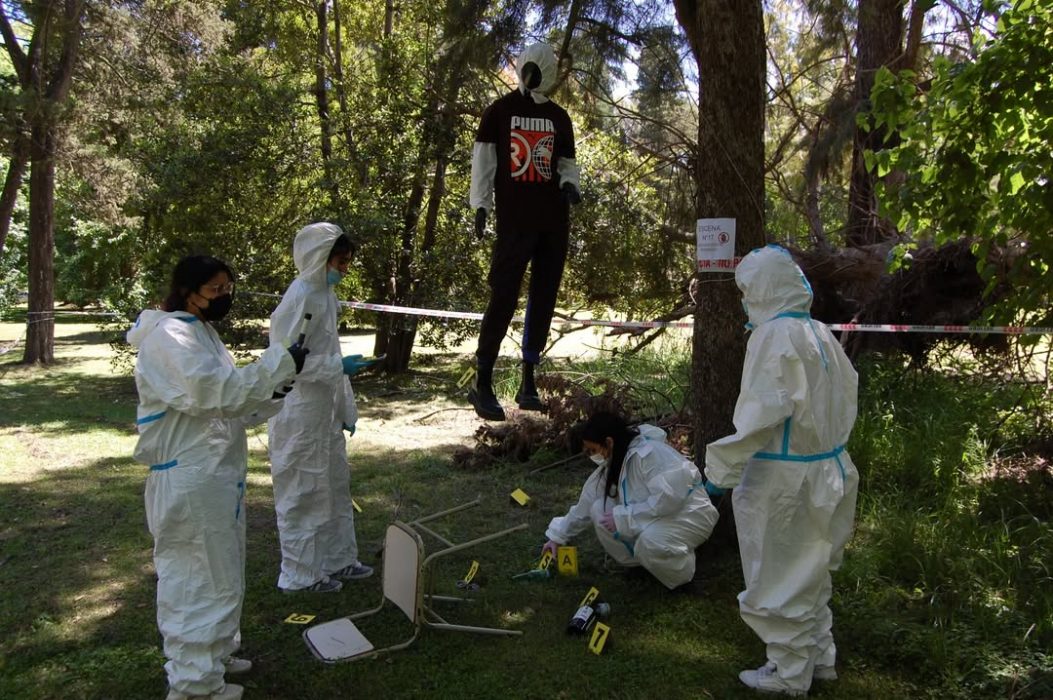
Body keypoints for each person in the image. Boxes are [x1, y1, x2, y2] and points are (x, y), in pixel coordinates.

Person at [129, 255, 308, 700]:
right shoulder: (169, 336)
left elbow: (233, 407)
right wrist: (276, 366)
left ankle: (216, 656)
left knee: (221, 570)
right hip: (188, 479)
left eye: (228, 288)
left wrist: (276, 389)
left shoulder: (199, 332)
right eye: (215, 290)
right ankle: (193, 685)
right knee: (196, 579)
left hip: (211, 474)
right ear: (188, 292)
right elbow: (214, 393)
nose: (224, 297)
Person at [704, 244, 860, 697]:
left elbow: (760, 416)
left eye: (747, 289)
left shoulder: (773, 337)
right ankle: (820, 656)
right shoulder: (819, 332)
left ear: (764, 289)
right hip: (830, 469)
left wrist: (720, 470)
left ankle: (790, 674)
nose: (744, 298)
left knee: (780, 576)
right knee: (812, 573)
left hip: (784, 479)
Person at [467, 42, 582, 421]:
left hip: (552, 223)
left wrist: (569, 184)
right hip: (514, 223)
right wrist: (480, 205)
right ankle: (481, 382)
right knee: (502, 296)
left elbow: (566, 161)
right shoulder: (498, 112)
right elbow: (484, 162)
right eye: (529, 67)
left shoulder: (560, 118)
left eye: (539, 69)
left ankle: (528, 380)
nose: (532, 75)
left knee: (543, 297)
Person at [267, 222, 374, 594]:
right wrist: (335, 369)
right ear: (318, 258)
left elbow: (331, 354)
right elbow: (282, 364)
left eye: (347, 263)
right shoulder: (299, 299)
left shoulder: (325, 297)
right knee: (303, 492)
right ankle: (300, 575)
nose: (344, 270)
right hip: (298, 414)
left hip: (323, 411)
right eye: (339, 262)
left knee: (333, 487)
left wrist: (346, 410)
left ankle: (337, 560)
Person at [542, 411, 720, 589]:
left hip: (689, 514)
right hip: (657, 516)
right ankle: (641, 566)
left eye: (593, 450)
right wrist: (557, 537)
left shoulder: (651, 455)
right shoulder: (616, 461)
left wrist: (624, 517)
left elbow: (668, 499)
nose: (592, 456)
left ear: (609, 442)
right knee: (599, 509)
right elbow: (586, 502)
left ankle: (682, 578)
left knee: (650, 541)